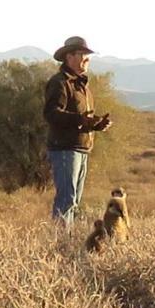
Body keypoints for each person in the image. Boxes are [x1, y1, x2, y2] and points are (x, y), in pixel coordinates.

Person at [44, 36, 112, 226]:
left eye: (87, 56)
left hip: (80, 148)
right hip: (65, 149)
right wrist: (81, 120)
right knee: (67, 200)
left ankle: (66, 243)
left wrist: (95, 124)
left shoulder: (82, 86)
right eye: (82, 55)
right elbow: (51, 114)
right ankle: (59, 244)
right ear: (69, 57)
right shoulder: (59, 83)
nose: (86, 60)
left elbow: (78, 118)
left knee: (73, 203)